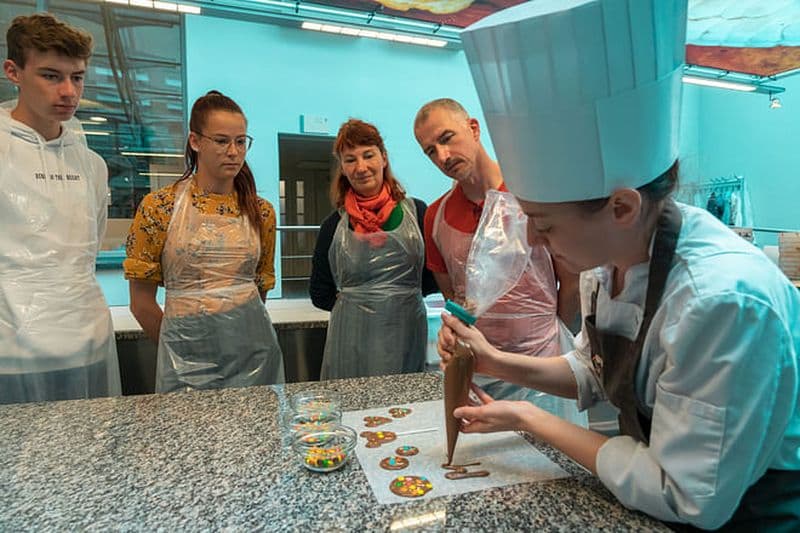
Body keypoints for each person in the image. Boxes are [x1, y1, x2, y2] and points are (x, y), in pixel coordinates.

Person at [440, 0, 800, 529]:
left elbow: (686, 495)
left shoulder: (719, 301)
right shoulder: (613, 260)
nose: (537, 239)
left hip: (756, 510)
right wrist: (493, 361)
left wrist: (527, 415)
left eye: (546, 222)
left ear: (622, 207)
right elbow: (594, 368)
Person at [414, 97, 580, 402]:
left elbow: (571, 282)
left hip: (541, 368)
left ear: (473, 128)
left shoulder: (535, 198)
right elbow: (457, 298)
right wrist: (455, 333)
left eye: (446, 138)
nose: (443, 156)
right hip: (479, 373)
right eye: (430, 152)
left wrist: (549, 335)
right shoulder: (436, 218)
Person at [125, 90, 284, 393]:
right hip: (185, 359)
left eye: (241, 141)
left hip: (254, 354)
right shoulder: (160, 207)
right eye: (222, 141)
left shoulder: (261, 213)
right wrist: (179, 350)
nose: (234, 152)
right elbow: (141, 303)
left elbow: (259, 289)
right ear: (195, 141)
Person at [0, 13, 120, 404]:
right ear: (13, 72)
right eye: (51, 76)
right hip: (10, 353)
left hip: (85, 343)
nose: (69, 91)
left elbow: (89, 248)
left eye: (78, 77)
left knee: (91, 456)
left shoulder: (91, 165)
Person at [310, 118, 437, 379]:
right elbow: (320, 293)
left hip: (406, 332)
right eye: (350, 159)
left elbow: (433, 277)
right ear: (342, 168)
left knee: (404, 406)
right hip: (351, 340)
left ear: (384, 158)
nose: (361, 167)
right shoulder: (333, 225)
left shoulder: (418, 213)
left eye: (368, 155)